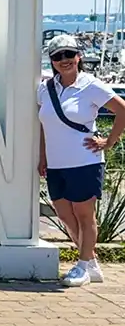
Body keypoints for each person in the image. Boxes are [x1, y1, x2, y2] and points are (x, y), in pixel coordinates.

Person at [38, 33, 125, 286]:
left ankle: (83, 265)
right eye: (57, 56)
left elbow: (122, 110)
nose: (64, 60)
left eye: (68, 54)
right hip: (56, 163)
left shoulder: (91, 85)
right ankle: (91, 261)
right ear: (52, 61)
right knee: (64, 212)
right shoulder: (45, 89)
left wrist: (109, 142)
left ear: (79, 57)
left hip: (85, 160)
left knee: (85, 214)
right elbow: (43, 126)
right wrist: (42, 156)